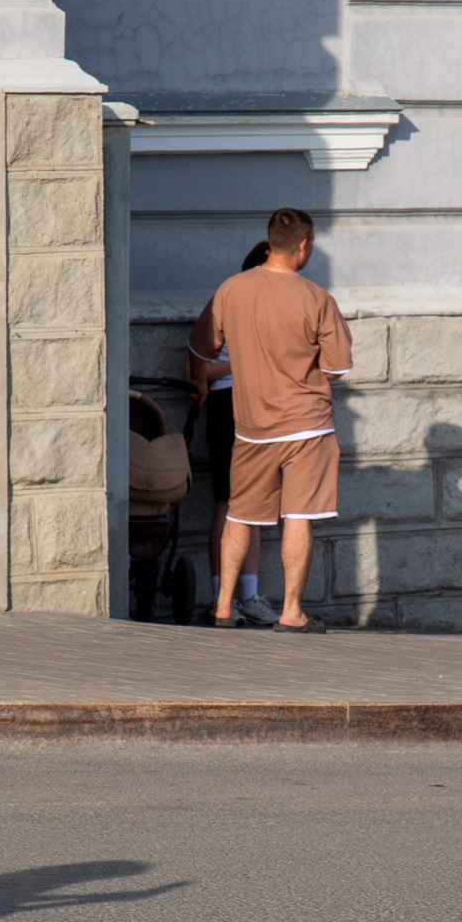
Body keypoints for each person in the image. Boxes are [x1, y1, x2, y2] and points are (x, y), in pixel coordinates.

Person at [190, 208, 354, 632]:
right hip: (307, 426)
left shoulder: (230, 290)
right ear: (304, 245)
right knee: (298, 516)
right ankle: (291, 612)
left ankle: (223, 607)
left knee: (239, 514)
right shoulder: (317, 298)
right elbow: (337, 368)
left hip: (250, 427)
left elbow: (201, 351)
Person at [186, 241, 276, 623]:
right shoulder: (227, 300)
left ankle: (249, 597)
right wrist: (245, 363)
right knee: (228, 501)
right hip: (229, 405)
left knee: (256, 505)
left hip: (265, 410)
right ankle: (221, 599)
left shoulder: (281, 306)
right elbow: (196, 370)